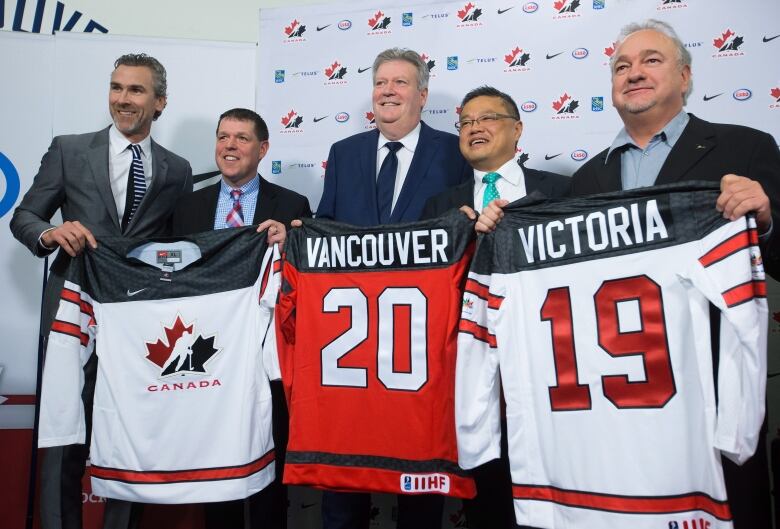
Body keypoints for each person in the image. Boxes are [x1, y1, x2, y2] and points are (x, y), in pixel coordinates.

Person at [477, 19, 779, 529]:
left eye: (650, 61)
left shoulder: (745, 147)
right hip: (615, 409)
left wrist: (765, 221)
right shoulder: (586, 179)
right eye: (621, 66)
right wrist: (500, 233)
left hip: (712, 404)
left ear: (685, 76)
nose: (633, 73)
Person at [10, 53, 193, 529]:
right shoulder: (70, 149)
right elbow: (25, 216)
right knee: (62, 432)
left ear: (160, 102)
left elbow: (178, 247)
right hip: (71, 309)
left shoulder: (177, 169)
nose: (123, 100)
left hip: (137, 321)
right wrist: (50, 234)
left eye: (135, 91)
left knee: (129, 433)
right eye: (116, 88)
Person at [314, 47, 470, 529]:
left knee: (420, 475)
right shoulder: (345, 153)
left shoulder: (456, 150)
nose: (387, 91)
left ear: (422, 95)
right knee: (346, 474)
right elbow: (326, 230)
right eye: (381, 82)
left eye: (400, 83)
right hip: (353, 346)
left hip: (421, 342)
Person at [422, 86, 568, 529]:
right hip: (471, 369)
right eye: (465, 122)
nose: (474, 128)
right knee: (486, 493)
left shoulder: (560, 190)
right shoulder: (439, 206)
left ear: (517, 129)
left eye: (487, 118)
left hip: (545, 363)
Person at [170, 107, 309, 529]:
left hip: (266, 356)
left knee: (271, 466)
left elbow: (310, 279)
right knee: (219, 469)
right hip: (207, 356)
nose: (230, 146)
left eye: (242, 138)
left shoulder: (291, 204)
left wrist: (293, 244)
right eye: (223, 137)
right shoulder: (187, 207)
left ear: (263, 148)